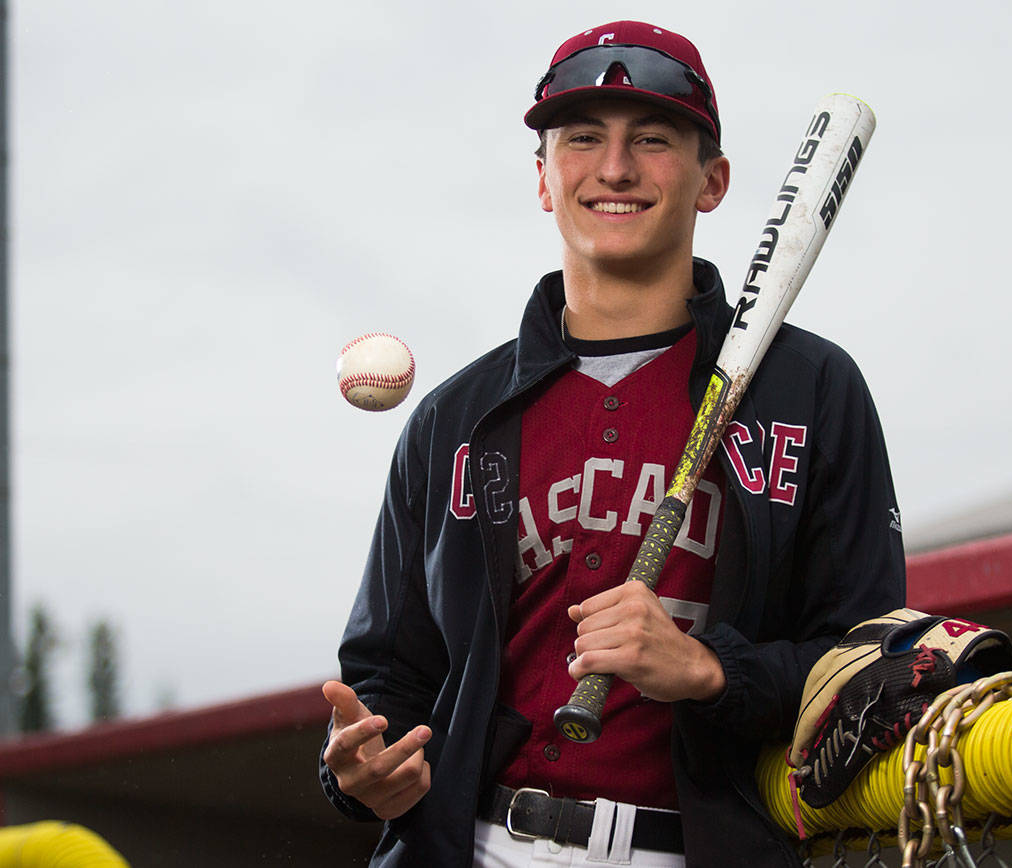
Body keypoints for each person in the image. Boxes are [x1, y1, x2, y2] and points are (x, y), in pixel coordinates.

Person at [320, 20, 906, 868]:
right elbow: (389, 669)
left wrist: (709, 670)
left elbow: (875, 659)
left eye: (654, 139)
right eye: (583, 138)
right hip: (474, 845)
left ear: (713, 181)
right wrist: (360, 771)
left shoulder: (808, 391)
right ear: (543, 179)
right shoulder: (455, 419)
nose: (616, 168)